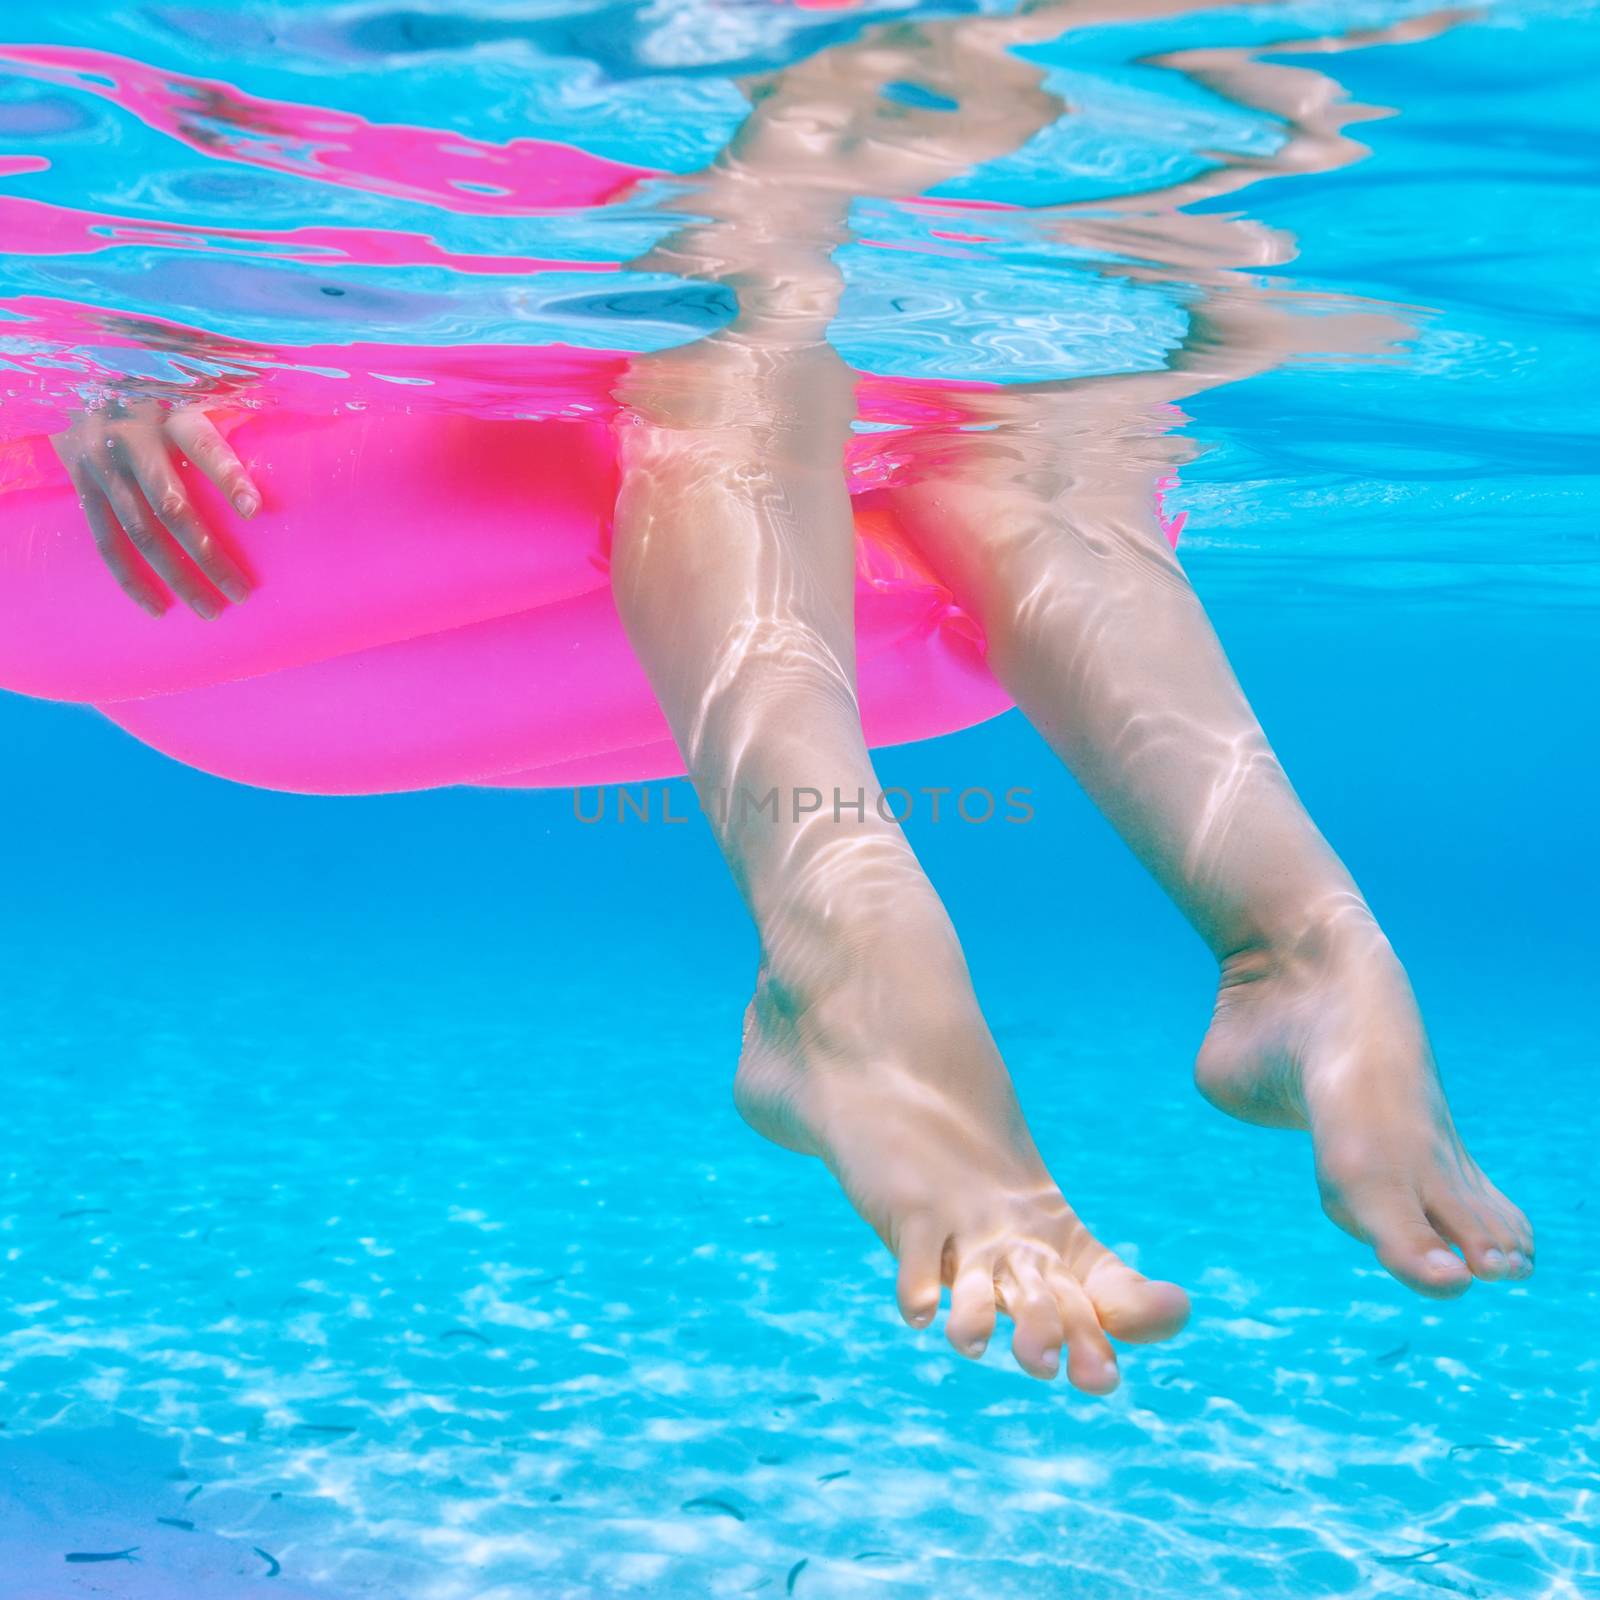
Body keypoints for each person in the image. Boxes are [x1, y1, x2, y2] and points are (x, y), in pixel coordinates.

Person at [46, 0, 1530, 1393]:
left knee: (912, 392)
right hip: (333, 446)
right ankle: (1121, 940)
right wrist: (172, 310)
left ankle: (1222, 946)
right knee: (837, 354)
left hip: (644, 346)